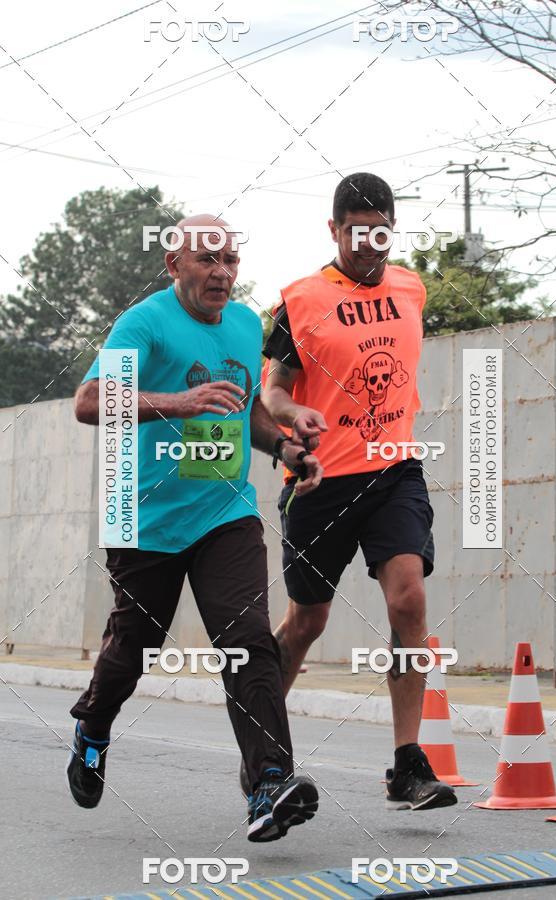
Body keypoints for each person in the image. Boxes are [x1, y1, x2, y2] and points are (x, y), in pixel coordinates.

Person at [67, 214, 322, 842]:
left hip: (223, 513)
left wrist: (283, 449)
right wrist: (177, 404)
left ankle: (267, 784)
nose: (222, 273)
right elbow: (89, 401)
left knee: (247, 635)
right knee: (133, 650)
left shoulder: (242, 323)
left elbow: (245, 415)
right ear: (173, 265)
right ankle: (93, 726)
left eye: (231, 260)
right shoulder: (146, 324)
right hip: (144, 514)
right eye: (207, 260)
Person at [261, 174, 457, 811]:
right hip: (320, 483)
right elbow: (273, 391)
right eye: (357, 231)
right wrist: (294, 416)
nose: (371, 244)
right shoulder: (300, 300)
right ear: (335, 230)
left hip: (393, 474)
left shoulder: (411, 287)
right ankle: (263, 751)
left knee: (409, 600)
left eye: (381, 231)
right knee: (305, 623)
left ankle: (407, 763)